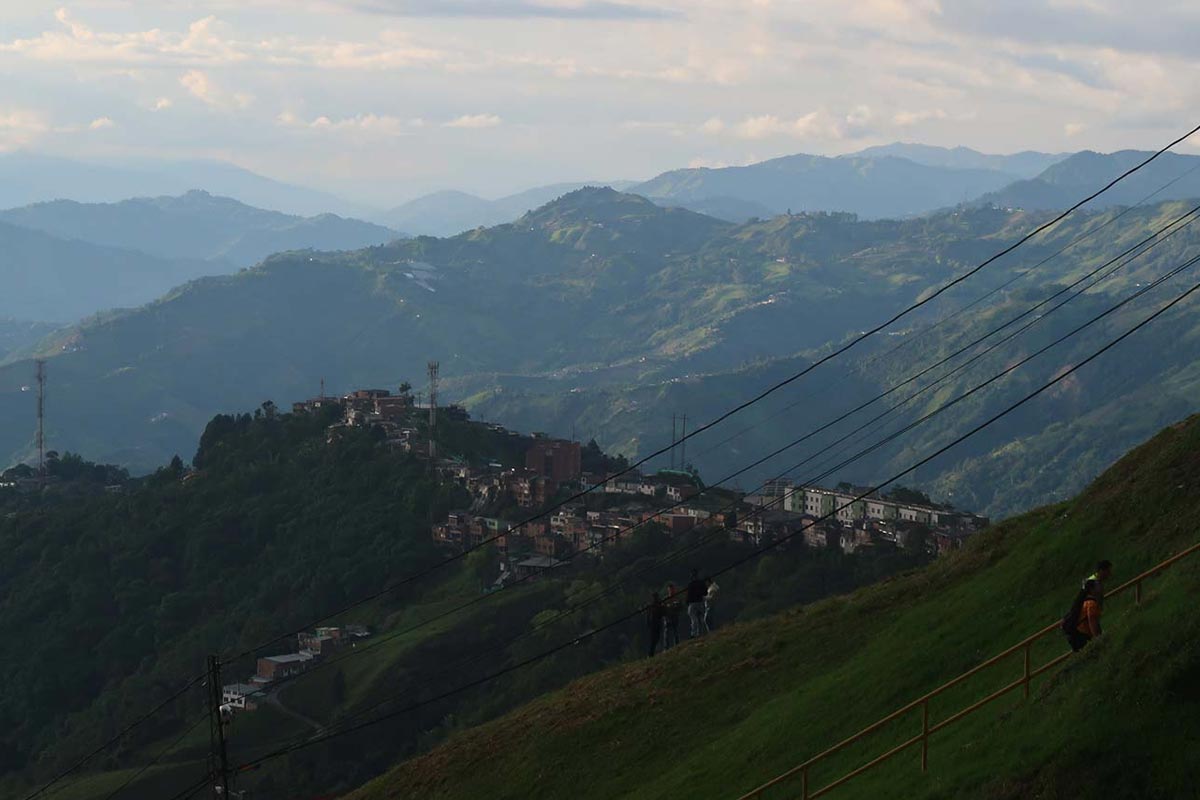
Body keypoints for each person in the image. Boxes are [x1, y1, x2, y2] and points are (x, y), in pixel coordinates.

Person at [1063, 578, 1104, 652]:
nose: (1101, 588)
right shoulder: (1091, 604)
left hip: (1077, 637)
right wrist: (1098, 640)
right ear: (1092, 589)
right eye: (1098, 586)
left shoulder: (1084, 602)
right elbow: (1093, 624)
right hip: (1082, 638)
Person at [686, 569, 708, 638]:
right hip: (700, 602)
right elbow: (705, 592)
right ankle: (701, 633)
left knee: (693, 619)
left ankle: (694, 634)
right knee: (701, 619)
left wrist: (687, 602)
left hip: (692, 603)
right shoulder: (701, 583)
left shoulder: (690, 584)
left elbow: (688, 595)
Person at [662, 583, 681, 651]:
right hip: (667, 618)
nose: (672, 591)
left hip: (675, 617)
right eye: (670, 590)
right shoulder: (666, 599)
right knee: (667, 634)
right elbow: (663, 608)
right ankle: (666, 648)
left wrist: (676, 605)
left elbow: (680, 607)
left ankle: (677, 646)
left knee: (675, 633)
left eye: (672, 589)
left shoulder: (677, 598)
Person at [646, 592, 665, 657]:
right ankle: (651, 653)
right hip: (654, 624)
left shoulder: (657, 604)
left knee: (656, 639)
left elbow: (661, 613)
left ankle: (651, 652)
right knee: (654, 639)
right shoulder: (652, 606)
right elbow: (649, 615)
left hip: (657, 623)